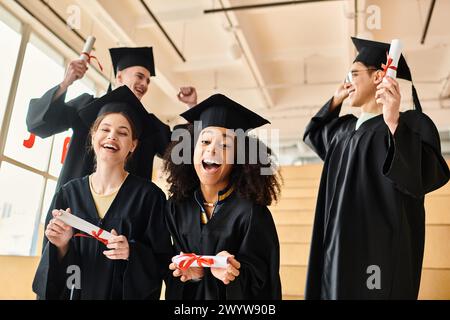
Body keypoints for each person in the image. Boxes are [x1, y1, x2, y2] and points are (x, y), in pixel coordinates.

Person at [303, 37, 450, 299]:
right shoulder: (343, 130)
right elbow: (312, 133)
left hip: (377, 255)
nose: (347, 81)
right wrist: (335, 100)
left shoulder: (411, 124)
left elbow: (423, 177)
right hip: (336, 249)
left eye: (354, 74)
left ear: (379, 76)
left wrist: (393, 122)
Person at [32, 86, 173, 299]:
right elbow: (51, 271)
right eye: (105, 129)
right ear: (93, 135)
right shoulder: (69, 193)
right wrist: (60, 246)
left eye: (123, 132)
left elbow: (163, 262)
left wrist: (131, 254)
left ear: (133, 145)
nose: (112, 137)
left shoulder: (149, 197)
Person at [163, 94, 282, 300]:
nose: (212, 149)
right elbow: (163, 265)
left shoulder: (251, 213)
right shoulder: (176, 207)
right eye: (206, 141)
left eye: (225, 145)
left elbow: (264, 279)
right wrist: (192, 276)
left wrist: (235, 274)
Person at [26, 46, 197, 189]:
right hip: (73, 210)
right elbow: (39, 124)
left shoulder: (149, 124)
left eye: (147, 81)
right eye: (139, 76)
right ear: (119, 76)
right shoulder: (85, 107)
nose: (144, 84)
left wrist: (192, 108)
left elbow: (182, 152)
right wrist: (66, 82)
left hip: (125, 220)